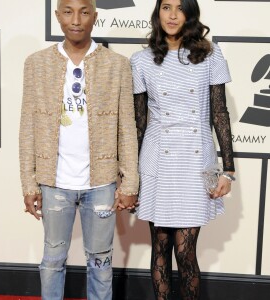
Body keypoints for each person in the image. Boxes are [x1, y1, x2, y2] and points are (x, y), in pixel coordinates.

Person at [19, 0, 139, 299]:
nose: (76, 20)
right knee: (52, 261)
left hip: (101, 182)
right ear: (57, 16)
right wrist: (28, 182)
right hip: (53, 181)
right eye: (68, 11)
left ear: (95, 17)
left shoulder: (117, 64)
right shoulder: (36, 63)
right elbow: (27, 127)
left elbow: (127, 127)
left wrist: (130, 183)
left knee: (101, 262)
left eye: (84, 12)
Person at [131, 0, 235, 299]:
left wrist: (227, 170)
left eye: (179, 7)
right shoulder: (141, 60)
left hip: (195, 159)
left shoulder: (210, 55)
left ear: (190, 13)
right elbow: (140, 123)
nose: (172, 14)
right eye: (166, 7)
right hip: (157, 158)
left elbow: (219, 114)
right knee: (160, 246)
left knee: (185, 250)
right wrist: (129, 176)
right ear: (157, 13)